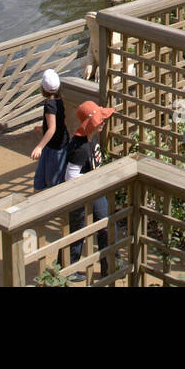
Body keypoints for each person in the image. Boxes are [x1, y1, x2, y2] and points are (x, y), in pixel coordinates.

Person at [64, 101, 116, 282]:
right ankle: (66, 268)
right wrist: (91, 180)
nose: (102, 122)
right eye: (99, 120)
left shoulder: (90, 138)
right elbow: (70, 177)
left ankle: (110, 266)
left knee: (108, 224)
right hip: (82, 193)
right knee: (76, 230)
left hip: (94, 190)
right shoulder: (80, 148)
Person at [30, 69, 68, 191]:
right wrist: (42, 129)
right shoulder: (58, 101)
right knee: (41, 178)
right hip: (54, 145)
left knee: (53, 181)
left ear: (43, 88)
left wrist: (39, 147)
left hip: (55, 148)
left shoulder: (49, 105)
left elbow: (52, 128)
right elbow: (58, 123)